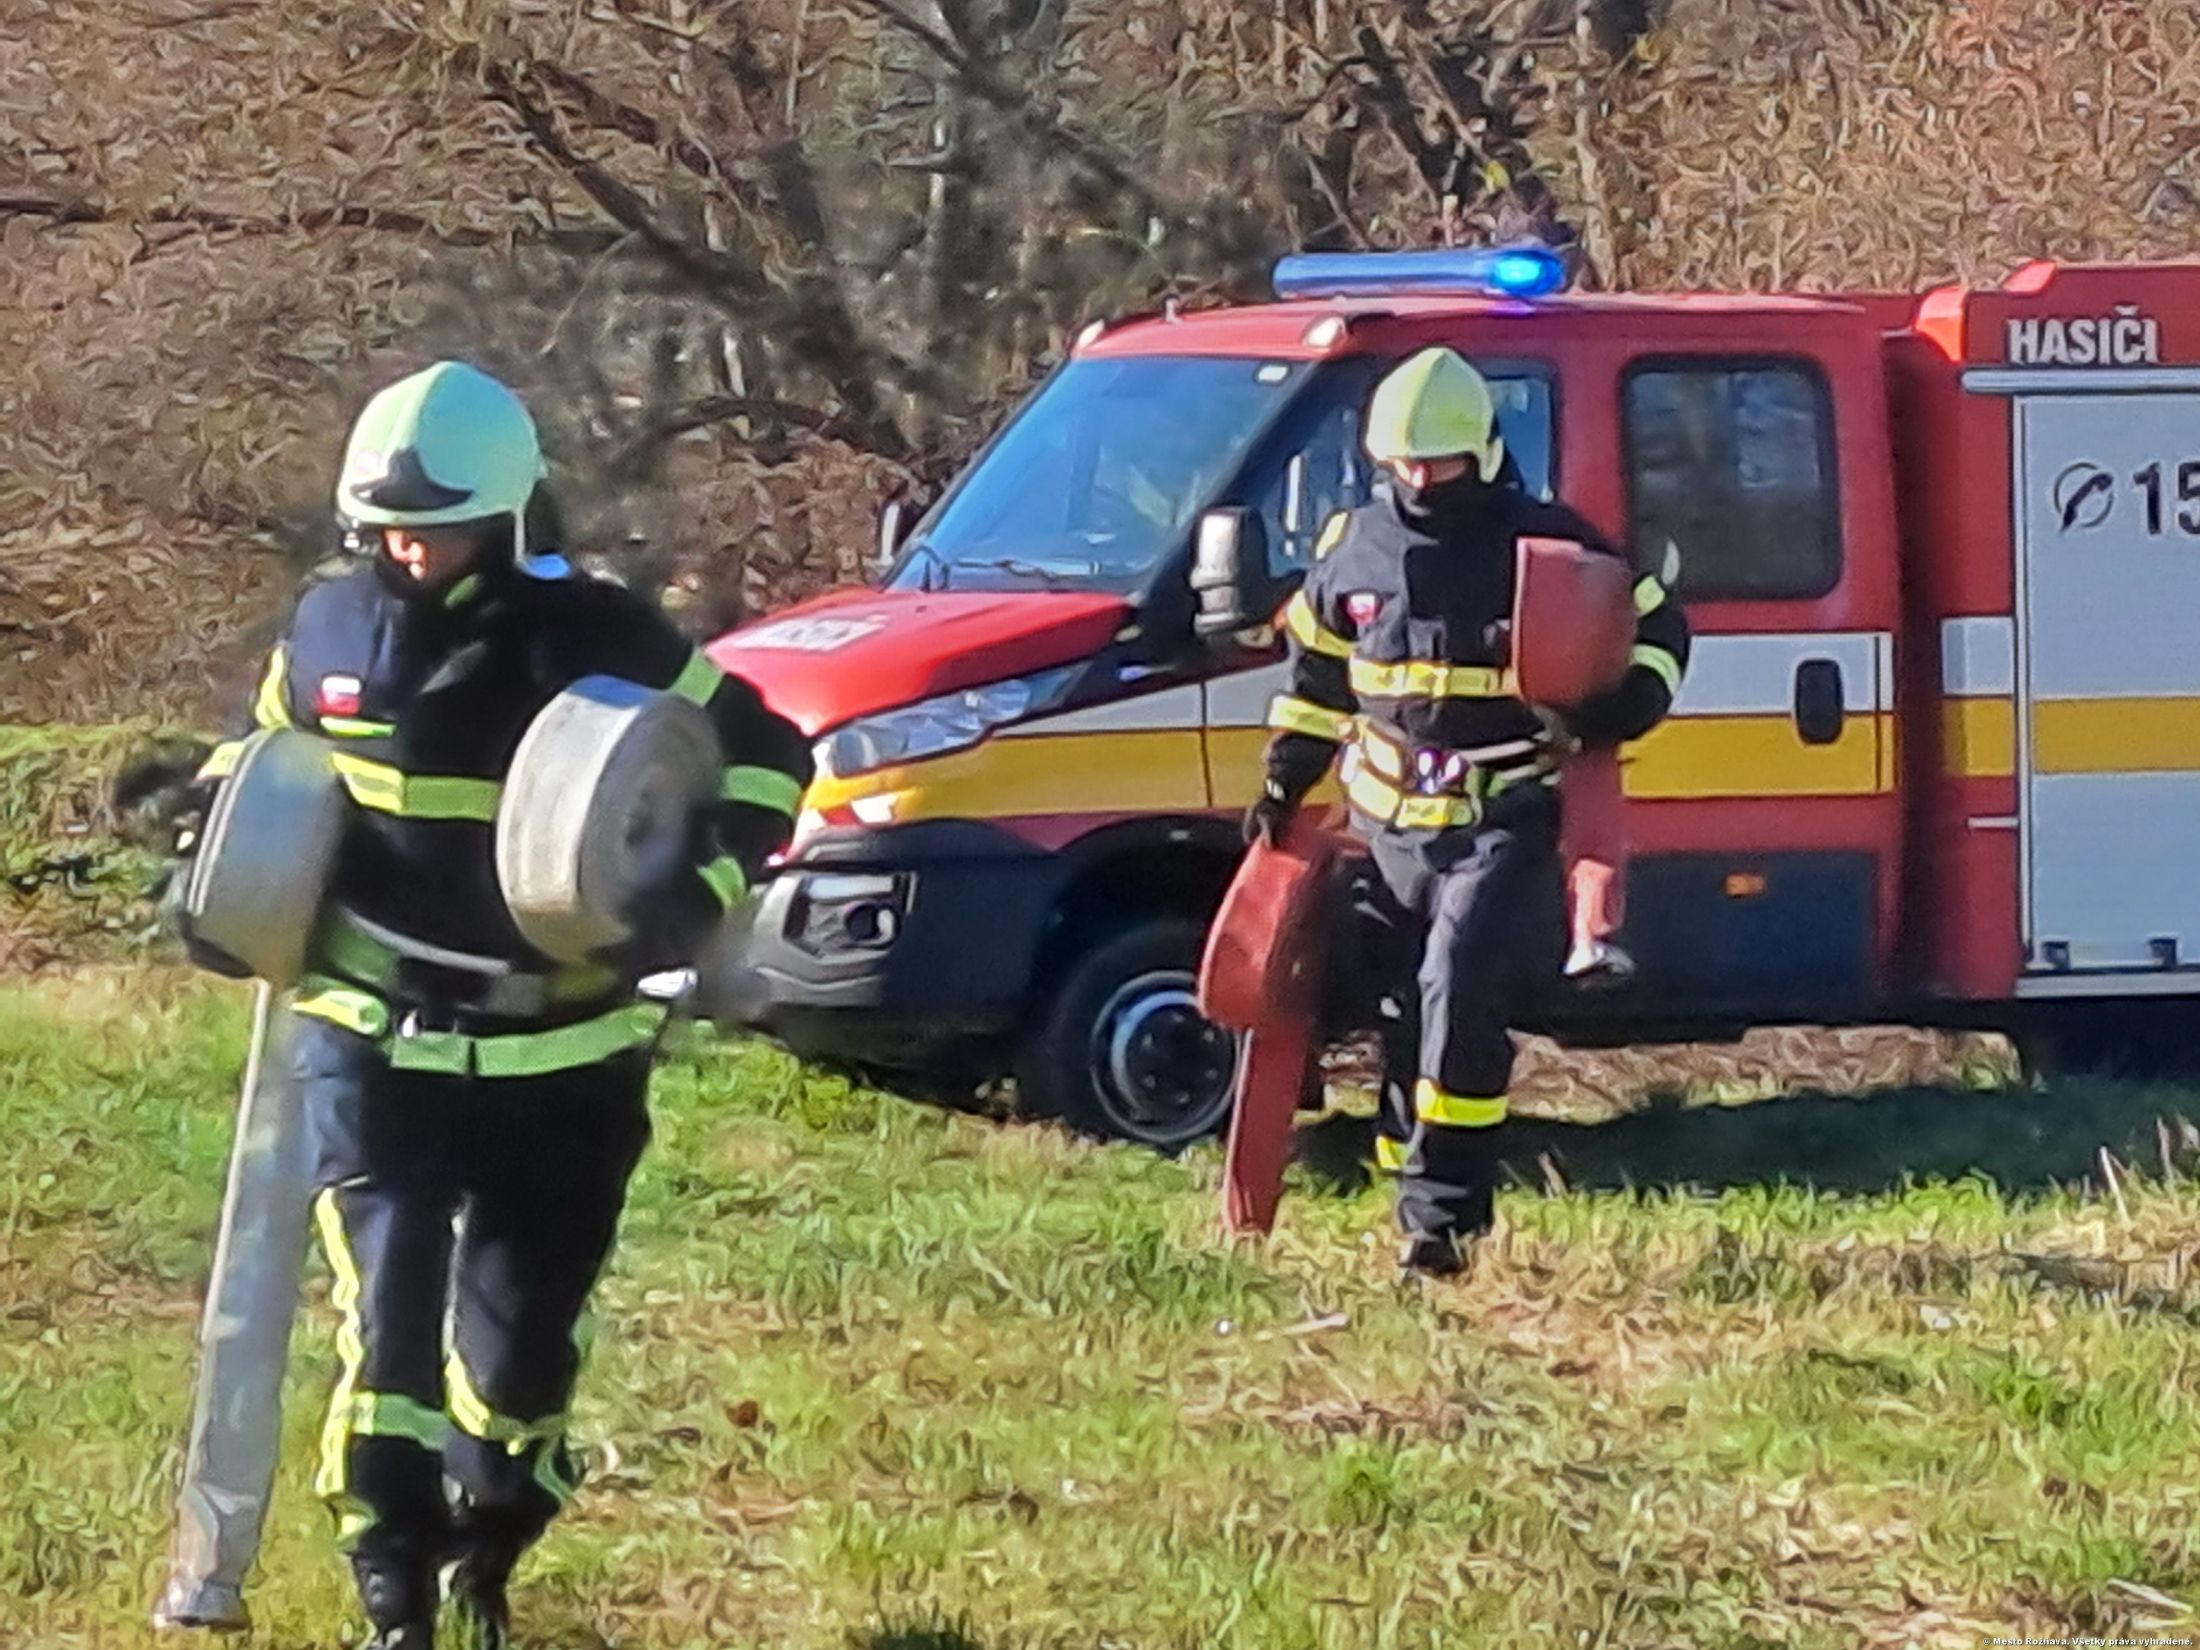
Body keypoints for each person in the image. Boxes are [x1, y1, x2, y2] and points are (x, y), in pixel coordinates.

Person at [176, 361, 813, 1648]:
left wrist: (696, 889)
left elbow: (769, 754)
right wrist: (203, 841)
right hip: (373, 1043)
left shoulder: (601, 639)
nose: (410, 552)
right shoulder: (327, 628)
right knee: (385, 1335)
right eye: (387, 529)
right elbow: (262, 769)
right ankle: (391, 1593)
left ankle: (495, 1527)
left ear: (513, 515)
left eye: (443, 528)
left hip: (564, 1055)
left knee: (515, 1370)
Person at [1247, 346, 1689, 1277]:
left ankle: (1442, 1222)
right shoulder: (1351, 548)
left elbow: (1658, 624)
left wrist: (1625, 704)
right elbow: (1317, 680)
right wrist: (1285, 777)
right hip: (1386, 825)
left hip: (1500, 816)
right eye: (1403, 463)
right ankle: (1398, 1164)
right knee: (1397, 1003)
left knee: (1458, 988)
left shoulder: (1549, 543)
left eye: (1438, 462)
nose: (1419, 479)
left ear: (1482, 451)